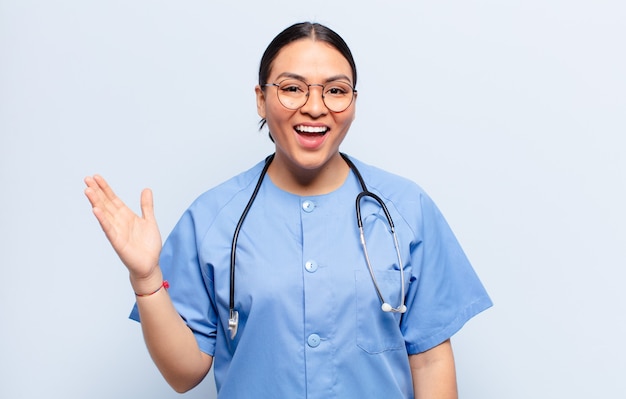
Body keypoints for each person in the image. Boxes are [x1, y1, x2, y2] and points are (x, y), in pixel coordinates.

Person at [84, 22, 492, 399]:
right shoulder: (213, 218)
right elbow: (184, 373)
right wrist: (146, 277)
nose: (315, 107)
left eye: (335, 90)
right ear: (261, 100)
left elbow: (431, 360)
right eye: (292, 88)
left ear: (353, 101)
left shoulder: (405, 209)